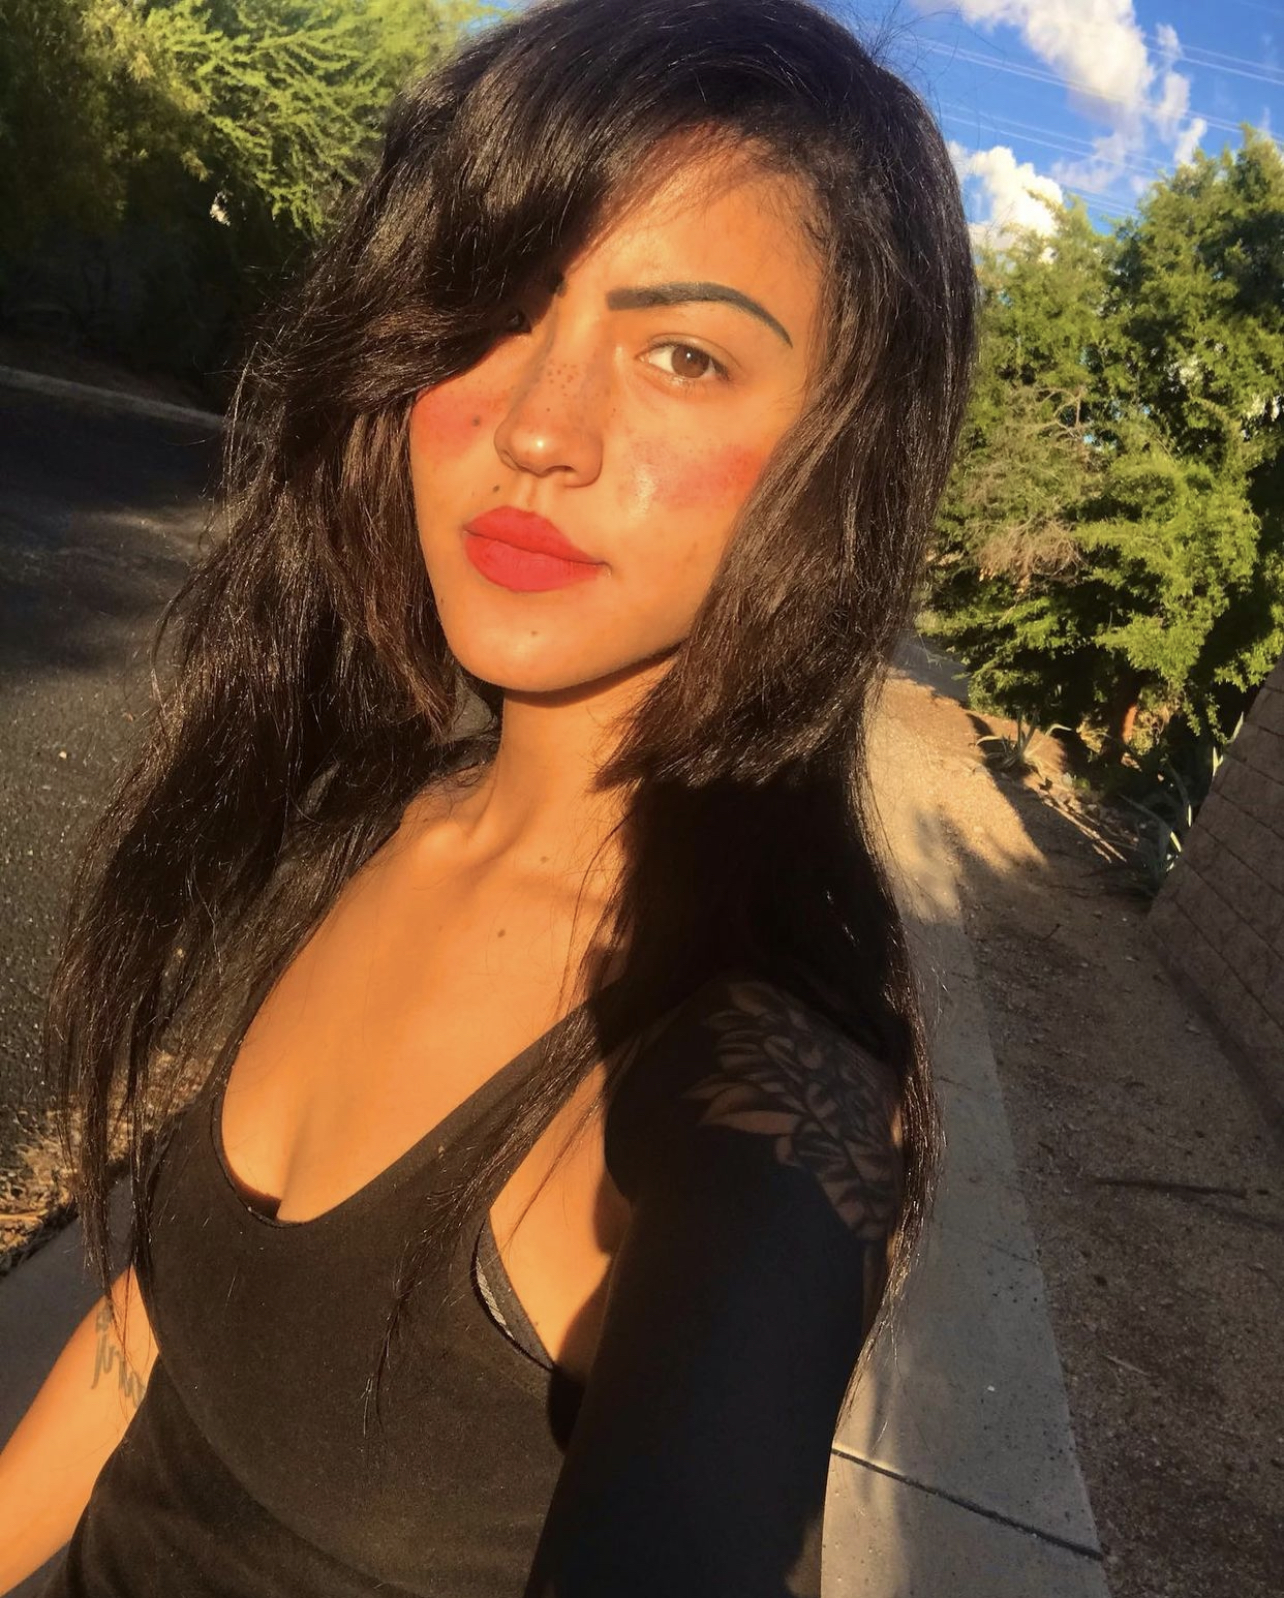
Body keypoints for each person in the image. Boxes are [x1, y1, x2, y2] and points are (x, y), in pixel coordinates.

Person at [0, 0, 977, 1591]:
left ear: (842, 458)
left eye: (682, 356)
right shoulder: (370, 819)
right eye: (492, 315)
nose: (534, 428)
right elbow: (155, 1326)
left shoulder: (758, 1083)